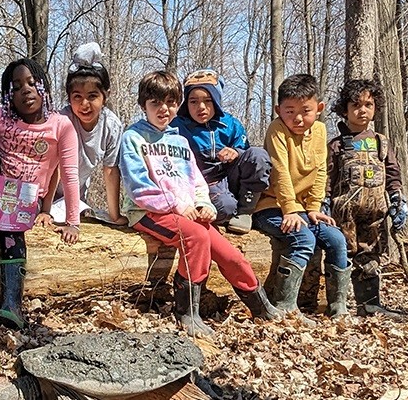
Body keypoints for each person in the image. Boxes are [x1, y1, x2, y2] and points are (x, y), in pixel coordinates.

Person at [121, 71, 278, 337]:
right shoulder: (134, 138)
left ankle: (261, 307)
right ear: (143, 105)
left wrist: (205, 204)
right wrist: (177, 206)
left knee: (230, 254)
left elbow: (196, 181)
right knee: (195, 238)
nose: (164, 109)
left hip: (187, 212)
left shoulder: (180, 141)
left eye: (170, 103)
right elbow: (139, 188)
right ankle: (186, 312)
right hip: (149, 211)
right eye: (156, 103)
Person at [0, 58, 81, 330]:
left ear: (44, 86)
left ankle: (12, 305)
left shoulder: (61, 125)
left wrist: (72, 221)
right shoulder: (3, 118)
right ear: (9, 95)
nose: (26, 91)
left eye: (32, 83)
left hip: (23, 202)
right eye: (16, 87)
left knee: (11, 231)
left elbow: (68, 173)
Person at [252, 73, 350, 320]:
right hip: (272, 206)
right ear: (278, 110)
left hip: (305, 209)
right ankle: (285, 304)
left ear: (319, 109)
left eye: (305, 111)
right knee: (303, 238)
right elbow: (279, 171)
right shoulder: (276, 130)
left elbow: (319, 172)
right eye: (289, 111)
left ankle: (338, 305)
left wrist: (315, 207)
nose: (297, 118)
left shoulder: (319, 131)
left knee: (337, 239)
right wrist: (290, 209)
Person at [327, 79, 408, 317]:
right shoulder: (336, 145)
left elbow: (393, 173)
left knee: (370, 256)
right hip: (344, 214)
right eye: (356, 105)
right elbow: (327, 178)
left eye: (368, 105)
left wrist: (397, 199)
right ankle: (337, 305)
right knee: (341, 253)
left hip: (375, 214)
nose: (362, 110)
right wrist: (323, 201)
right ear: (345, 109)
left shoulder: (381, 142)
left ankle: (370, 304)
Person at [170, 69, 270, 234]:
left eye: (207, 101)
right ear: (186, 104)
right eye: (193, 101)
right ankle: (224, 212)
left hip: (231, 178)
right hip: (204, 186)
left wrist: (236, 152)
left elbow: (248, 155)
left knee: (259, 155)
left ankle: (246, 210)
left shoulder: (230, 124)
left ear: (216, 101)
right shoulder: (176, 126)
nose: (201, 107)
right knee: (226, 207)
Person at [50, 42, 127, 225]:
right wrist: (45, 209)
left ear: (105, 96)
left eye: (92, 96)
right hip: (45, 195)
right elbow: (53, 168)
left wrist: (114, 215)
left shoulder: (112, 125)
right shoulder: (61, 120)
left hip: (76, 199)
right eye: (77, 97)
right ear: (69, 98)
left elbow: (110, 171)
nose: (85, 104)